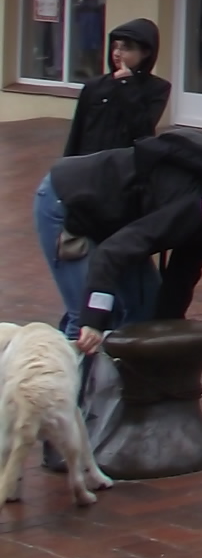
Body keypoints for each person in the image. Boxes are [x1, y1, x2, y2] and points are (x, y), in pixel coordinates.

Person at [41, 128, 202, 356]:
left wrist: (168, 342)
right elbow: (112, 253)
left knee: (146, 313)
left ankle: (131, 392)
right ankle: (68, 396)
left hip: (115, 224)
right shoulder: (196, 210)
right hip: (67, 203)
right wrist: (94, 319)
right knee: (85, 320)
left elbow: (179, 282)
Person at [32, 20, 171, 339]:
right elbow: (77, 136)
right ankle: (73, 340)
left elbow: (143, 131)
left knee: (125, 277)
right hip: (84, 188)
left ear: (146, 53)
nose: (118, 54)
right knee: (83, 280)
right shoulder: (94, 87)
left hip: (121, 193)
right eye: (116, 46)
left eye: (128, 48)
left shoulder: (154, 89)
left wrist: (128, 89)